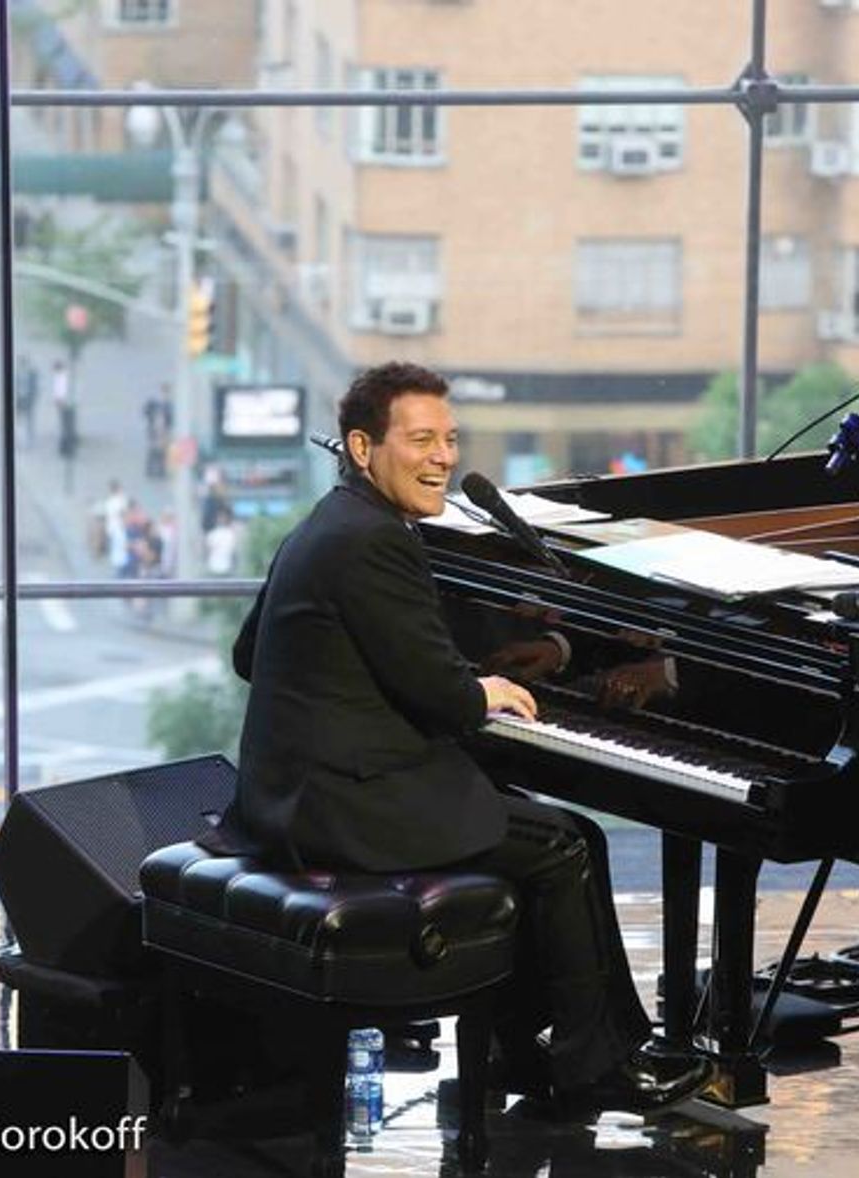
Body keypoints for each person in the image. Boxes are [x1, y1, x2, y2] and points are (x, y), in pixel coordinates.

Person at [201, 361, 713, 1114]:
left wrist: (380, 686)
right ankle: (592, 1066)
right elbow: (444, 696)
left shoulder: (327, 523)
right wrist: (480, 687)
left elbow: (254, 655)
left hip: (296, 796)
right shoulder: (377, 541)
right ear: (363, 446)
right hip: (347, 810)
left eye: (450, 438)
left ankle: (523, 1046)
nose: (444, 455)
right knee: (567, 844)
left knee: (522, 816)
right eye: (421, 439)